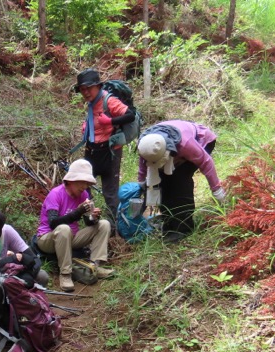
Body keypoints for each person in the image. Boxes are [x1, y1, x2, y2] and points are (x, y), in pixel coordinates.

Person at [137, 120, 226, 242]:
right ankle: (169, 223)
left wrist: (217, 190)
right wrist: (141, 186)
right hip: (172, 150)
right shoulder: (146, 145)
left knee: (179, 181)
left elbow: (206, 162)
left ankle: (183, 227)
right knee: (163, 183)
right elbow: (143, 167)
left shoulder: (185, 144)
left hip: (202, 141)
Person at [36, 159, 114, 292]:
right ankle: (65, 273)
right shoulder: (55, 194)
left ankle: (95, 266)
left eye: (87, 183)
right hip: (48, 238)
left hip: (71, 237)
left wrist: (93, 217)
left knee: (104, 224)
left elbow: (88, 222)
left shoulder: (83, 195)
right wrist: (78, 212)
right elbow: (53, 223)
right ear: (71, 180)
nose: (85, 186)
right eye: (82, 182)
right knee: (64, 229)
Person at [75, 68, 136, 225]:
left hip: (109, 152)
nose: (86, 92)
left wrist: (109, 122)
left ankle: (115, 227)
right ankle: (91, 222)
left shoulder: (108, 100)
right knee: (84, 188)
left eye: (89, 88)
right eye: (83, 89)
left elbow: (130, 115)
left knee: (110, 192)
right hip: (91, 151)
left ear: (98, 86)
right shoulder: (91, 103)